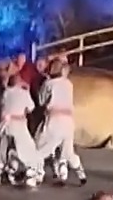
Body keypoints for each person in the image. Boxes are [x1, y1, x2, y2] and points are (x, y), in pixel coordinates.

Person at [0, 58, 43, 188]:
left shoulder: (5, 93)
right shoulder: (23, 93)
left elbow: (2, 105)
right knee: (28, 149)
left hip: (5, 126)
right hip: (19, 127)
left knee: (2, 152)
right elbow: (31, 108)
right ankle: (30, 176)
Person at [33, 56, 86, 185]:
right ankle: (81, 173)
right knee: (68, 151)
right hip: (68, 122)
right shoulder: (68, 84)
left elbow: (41, 101)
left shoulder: (49, 84)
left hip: (54, 121)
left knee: (41, 148)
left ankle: (36, 174)